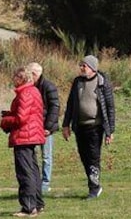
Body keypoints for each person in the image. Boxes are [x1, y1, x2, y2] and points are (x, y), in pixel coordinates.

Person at [62, 54, 115, 199]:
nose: (81, 68)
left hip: (96, 127)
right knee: (84, 157)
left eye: (84, 65)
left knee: (93, 157)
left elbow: (110, 108)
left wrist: (110, 131)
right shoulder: (77, 82)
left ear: (92, 67)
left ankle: (94, 188)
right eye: (81, 65)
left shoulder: (102, 82)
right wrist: (66, 125)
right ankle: (94, 183)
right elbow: (70, 104)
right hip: (80, 126)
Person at [0, 66, 46, 217]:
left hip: (24, 137)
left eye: (15, 77)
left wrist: (6, 120)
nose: (13, 80)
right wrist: (9, 113)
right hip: (31, 135)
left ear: (21, 78)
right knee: (33, 171)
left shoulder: (25, 93)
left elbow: (21, 118)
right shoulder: (33, 91)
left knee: (25, 172)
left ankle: (28, 207)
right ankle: (37, 204)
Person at [28, 62, 59, 193]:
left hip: (45, 128)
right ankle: (34, 182)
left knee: (46, 156)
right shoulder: (30, 87)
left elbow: (54, 108)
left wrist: (48, 127)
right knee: (32, 155)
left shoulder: (48, 86)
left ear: (34, 74)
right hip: (33, 126)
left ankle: (45, 184)